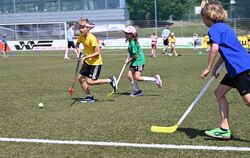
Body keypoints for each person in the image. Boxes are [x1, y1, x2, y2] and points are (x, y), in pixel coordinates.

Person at [200, 0, 250, 140]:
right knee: (219, 92)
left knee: (248, 101)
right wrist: (216, 68)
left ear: (208, 17)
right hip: (234, 68)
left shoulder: (214, 30)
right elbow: (225, 51)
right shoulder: (225, 27)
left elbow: (215, 48)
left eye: (203, 17)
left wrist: (208, 68)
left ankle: (224, 128)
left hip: (239, 67)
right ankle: (224, 129)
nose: (202, 20)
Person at [76, 18, 117, 103]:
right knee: (80, 78)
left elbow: (97, 52)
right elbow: (77, 45)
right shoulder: (81, 36)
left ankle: (110, 80)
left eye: (83, 27)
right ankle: (89, 96)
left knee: (90, 81)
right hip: (88, 61)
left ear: (88, 28)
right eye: (79, 27)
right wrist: (80, 54)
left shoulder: (92, 38)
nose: (80, 29)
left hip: (96, 63)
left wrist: (85, 57)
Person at [122, 26, 162, 97]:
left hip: (139, 61)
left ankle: (155, 79)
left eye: (127, 33)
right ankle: (137, 91)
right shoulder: (131, 41)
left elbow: (135, 56)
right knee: (129, 75)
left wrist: (128, 61)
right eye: (125, 33)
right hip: (135, 61)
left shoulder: (133, 43)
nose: (125, 35)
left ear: (131, 34)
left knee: (137, 77)